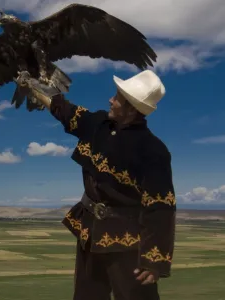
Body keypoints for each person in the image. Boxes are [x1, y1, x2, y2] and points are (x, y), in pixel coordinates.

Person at [33, 70, 176, 300]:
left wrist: (153, 260)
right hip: (89, 232)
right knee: (87, 296)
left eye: (117, 97)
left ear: (131, 108)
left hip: (127, 243)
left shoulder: (153, 150)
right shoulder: (99, 123)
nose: (110, 100)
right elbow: (69, 114)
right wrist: (41, 90)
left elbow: (161, 206)